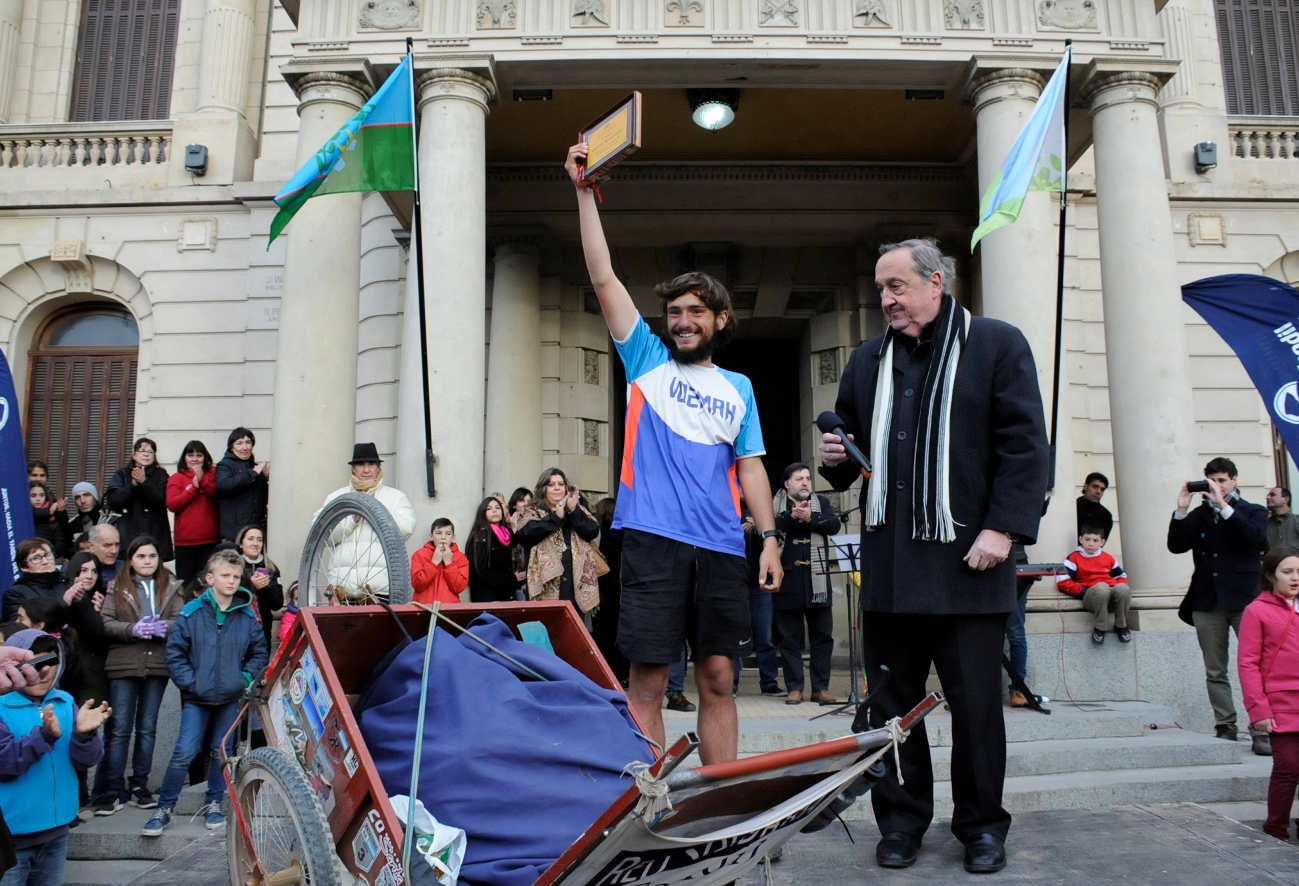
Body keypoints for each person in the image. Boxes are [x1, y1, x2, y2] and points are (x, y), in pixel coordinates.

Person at [818, 238, 1049, 874]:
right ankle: (900, 822)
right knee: (891, 707)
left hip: (971, 563)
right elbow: (850, 450)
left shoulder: (997, 344)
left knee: (977, 709)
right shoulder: (867, 360)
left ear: (935, 282)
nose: (886, 300)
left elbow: (1026, 449)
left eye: (896, 287)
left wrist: (1004, 530)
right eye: (880, 289)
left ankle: (980, 827)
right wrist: (838, 459)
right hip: (891, 569)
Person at [566, 142, 783, 766]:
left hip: (719, 548)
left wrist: (767, 539)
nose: (682, 320)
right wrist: (584, 193)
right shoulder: (646, 361)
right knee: (649, 683)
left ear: (720, 319)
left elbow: (752, 467)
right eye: (674, 311)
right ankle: (648, 805)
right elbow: (603, 275)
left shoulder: (739, 388)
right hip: (653, 542)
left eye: (695, 311)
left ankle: (720, 802)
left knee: (719, 680)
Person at [144, 549, 269, 836]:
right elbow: (175, 653)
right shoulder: (191, 612)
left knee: (220, 752)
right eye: (225, 575)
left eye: (237, 577)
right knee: (183, 751)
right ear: (210, 578)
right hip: (197, 698)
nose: (232, 581)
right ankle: (164, 808)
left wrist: (243, 679)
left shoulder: (246, 616)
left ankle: (213, 803)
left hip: (229, 697)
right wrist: (190, 683)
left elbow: (259, 652)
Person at [1168, 457, 1269, 753]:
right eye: (1212, 480)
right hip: (1207, 599)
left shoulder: (1253, 511)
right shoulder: (1199, 515)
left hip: (1244, 600)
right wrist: (1182, 510)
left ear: (1235, 480)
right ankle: (1225, 725)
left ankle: (1260, 727)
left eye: (1223, 480)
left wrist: (1224, 508)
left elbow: (1256, 539)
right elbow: (1176, 546)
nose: (1217, 485)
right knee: (1215, 670)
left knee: (1255, 668)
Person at [0, 629, 109, 886]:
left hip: (57, 833)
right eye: (34, 664)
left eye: (50, 662)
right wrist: (45, 737)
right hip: (10, 840)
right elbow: (5, 763)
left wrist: (85, 736)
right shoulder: (1, 705)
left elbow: (85, 761)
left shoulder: (65, 701)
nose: (43, 671)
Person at [91, 536, 184, 815]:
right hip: (123, 665)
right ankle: (111, 791)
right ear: (130, 559)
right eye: (141, 556)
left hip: (157, 665)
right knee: (119, 729)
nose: (147, 561)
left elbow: (182, 621)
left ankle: (139, 787)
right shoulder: (116, 586)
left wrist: (162, 628)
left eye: (152, 556)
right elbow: (105, 623)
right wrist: (132, 629)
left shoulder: (172, 585)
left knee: (147, 727)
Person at [1239, 545, 1299, 841]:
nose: (1295, 578)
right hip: (1281, 703)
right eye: (1287, 572)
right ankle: (1276, 829)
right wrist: (1258, 709)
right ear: (1270, 575)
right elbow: (1247, 663)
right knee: (1288, 767)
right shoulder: (1256, 610)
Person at [770, 464, 841, 705]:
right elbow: (769, 529)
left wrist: (810, 518)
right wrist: (791, 517)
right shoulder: (775, 505)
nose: (805, 483)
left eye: (808, 478)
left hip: (818, 581)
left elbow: (834, 526)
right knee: (789, 638)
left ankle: (820, 688)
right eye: (799, 479)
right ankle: (795, 688)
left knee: (823, 636)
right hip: (787, 580)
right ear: (787, 484)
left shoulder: (821, 503)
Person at [315, 443, 417, 601]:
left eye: (371, 464)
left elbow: (406, 530)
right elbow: (321, 534)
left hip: (380, 591)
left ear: (378, 468)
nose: (366, 470)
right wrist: (352, 519)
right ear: (353, 469)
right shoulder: (335, 498)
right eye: (361, 464)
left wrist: (379, 511)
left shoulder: (396, 498)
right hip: (343, 591)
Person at [516, 469, 602, 614]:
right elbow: (527, 533)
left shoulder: (576, 509)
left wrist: (573, 510)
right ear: (543, 489)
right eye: (551, 485)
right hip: (545, 586)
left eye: (561, 484)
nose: (557, 488)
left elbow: (592, 531)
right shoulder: (533, 511)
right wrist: (556, 517)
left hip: (575, 584)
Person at [733, 502, 783, 698]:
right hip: (736, 582)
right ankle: (731, 684)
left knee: (765, 636)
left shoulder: (763, 510)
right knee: (735, 635)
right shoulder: (730, 506)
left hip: (760, 584)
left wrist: (762, 531)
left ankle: (769, 683)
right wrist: (739, 531)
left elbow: (778, 539)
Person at [1056, 525, 1131, 644]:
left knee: (1123, 588)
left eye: (1095, 540)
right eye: (1087, 539)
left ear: (1102, 542)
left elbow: (1121, 577)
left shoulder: (1108, 558)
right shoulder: (1074, 558)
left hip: (1110, 594)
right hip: (1091, 595)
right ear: (1081, 539)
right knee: (1102, 588)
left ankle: (1121, 625)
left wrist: (1116, 587)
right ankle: (1101, 627)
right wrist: (1082, 590)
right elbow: (1062, 582)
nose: (1091, 544)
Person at [104, 438, 173, 563]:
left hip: (153, 533)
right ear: (134, 455)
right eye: (142, 451)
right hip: (127, 535)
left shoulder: (161, 475)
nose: (146, 454)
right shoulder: (122, 474)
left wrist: (144, 483)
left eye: (150, 452)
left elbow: (164, 500)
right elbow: (113, 501)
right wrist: (132, 485)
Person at [167, 441, 221, 583]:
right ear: (184, 458)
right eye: (190, 455)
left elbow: (219, 496)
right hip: (185, 543)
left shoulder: (214, 473)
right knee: (185, 584)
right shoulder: (177, 478)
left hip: (210, 540)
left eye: (199, 455)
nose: (195, 459)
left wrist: (203, 480)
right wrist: (192, 488)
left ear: (205, 457)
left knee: (208, 583)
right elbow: (172, 504)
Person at [592, 498, 629, 684]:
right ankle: (621, 673)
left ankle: (603, 672)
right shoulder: (623, 535)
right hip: (620, 592)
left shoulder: (596, 534)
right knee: (619, 635)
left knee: (602, 636)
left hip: (600, 593)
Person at [215, 427, 269, 543]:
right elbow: (224, 485)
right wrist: (252, 473)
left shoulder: (254, 467)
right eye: (239, 443)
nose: (244, 447)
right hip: (234, 534)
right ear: (232, 446)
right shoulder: (225, 465)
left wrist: (266, 477)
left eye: (248, 442)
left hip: (255, 532)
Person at [464, 497, 520, 604]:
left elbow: (513, 542)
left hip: (505, 595)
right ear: (483, 513)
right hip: (488, 597)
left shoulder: (505, 534)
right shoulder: (481, 536)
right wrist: (510, 578)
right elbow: (478, 574)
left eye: (497, 507)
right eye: (489, 509)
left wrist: (514, 528)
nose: (494, 511)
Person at [236, 526, 282, 648]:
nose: (255, 543)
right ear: (241, 543)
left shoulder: (271, 568)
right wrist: (251, 585)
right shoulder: (233, 567)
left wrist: (266, 586)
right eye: (250, 539)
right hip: (237, 625)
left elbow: (277, 604)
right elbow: (228, 596)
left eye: (259, 540)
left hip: (263, 629)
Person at [411, 519, 470, 606]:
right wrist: (433, 563)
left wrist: (449, 564)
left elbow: (459, 587)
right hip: (423, 607)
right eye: (438, 533)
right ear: (431, 536)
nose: (443, 537)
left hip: (449, 608)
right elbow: (417, 585)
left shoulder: (460, 558)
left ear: (453, 538)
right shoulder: (419, 554)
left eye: (448, 534)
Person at [62, 482, 106, 555]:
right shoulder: (72, 524)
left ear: (94, 497)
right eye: (78, 497)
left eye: (87, 495)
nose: (82, 501)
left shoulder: (108, 518)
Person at [27, 482, 65, 559]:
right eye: (33, 495)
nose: (38, 499)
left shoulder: (53, 518)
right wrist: (49, 512)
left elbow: (61, 544)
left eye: (42, 495)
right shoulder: (21, 515)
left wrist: (46, 555)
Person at [1076, 472, 1114, 540]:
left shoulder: (1105, 516)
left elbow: (1100, 543)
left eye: (1102, 489)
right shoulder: (1072, 507)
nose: (1098, 492)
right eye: (1095, 487)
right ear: (1085, 486)